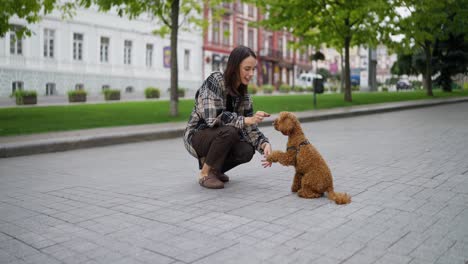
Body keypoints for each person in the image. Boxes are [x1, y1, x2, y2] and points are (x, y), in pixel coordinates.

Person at [183, 46, 272, 189]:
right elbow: (213, 118)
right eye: (247, 69)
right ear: (235, 67)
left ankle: (215, 170)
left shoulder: (245, 97)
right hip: (198, 136)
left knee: (246, 150)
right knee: (230, 131)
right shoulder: (215, 80)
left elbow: (250, 129)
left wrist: (264, 145)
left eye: (253, 69)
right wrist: (245, 120)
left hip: (221, 136)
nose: (251, 73)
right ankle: (205, 174)